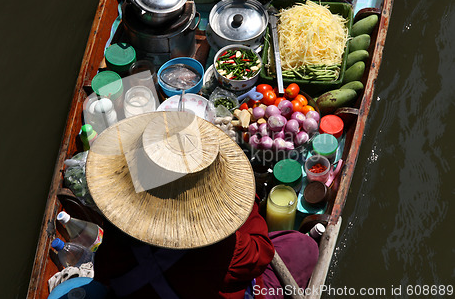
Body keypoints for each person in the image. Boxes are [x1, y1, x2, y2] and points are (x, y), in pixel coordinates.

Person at [86, 112, 319, 298]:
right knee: (303, 246)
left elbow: (105, 273)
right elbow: (261, 253)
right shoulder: (225, 246)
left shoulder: (118, 227)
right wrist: (245, 202)